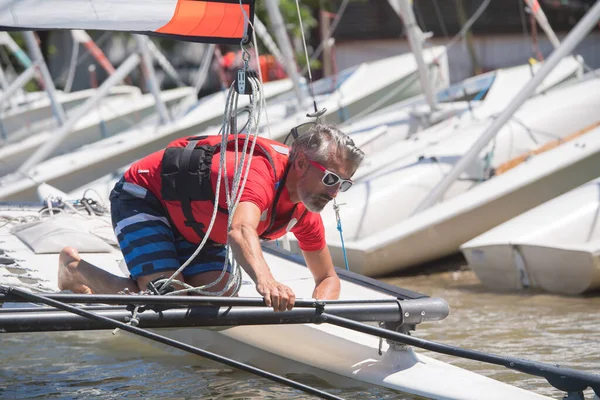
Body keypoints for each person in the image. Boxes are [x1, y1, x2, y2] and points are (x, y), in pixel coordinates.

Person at [58, 124, 365, 311]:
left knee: (219, 298)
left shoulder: (305, 209)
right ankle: (75, 270)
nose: (335, 192)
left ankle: (153, 274)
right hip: (145, 197)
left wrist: (319, 312)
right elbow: (240, 229)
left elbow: (327, 278)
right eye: (330, 180)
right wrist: (267, 281)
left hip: (196, 225)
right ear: (299, 162)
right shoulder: (257, 174)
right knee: (167, 301)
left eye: (343, 184)